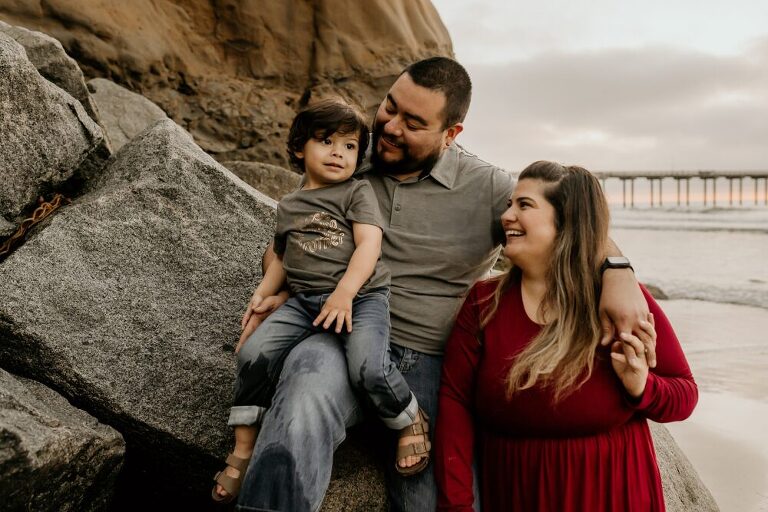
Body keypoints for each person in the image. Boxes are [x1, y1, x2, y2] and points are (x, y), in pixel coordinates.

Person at [234, 58, 652, 512]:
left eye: (413, 123)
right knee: (301, 403)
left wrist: (618, 271)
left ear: (451, 135)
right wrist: (281, 289)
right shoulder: (348, 157)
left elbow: (572, 222)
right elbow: (294, 238)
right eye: (389, 107)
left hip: (426, 357)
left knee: (435, 500)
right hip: (337, 335)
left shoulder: (489, 188)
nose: (390, 127)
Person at [434, 161, 698, 511]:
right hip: (516, 491)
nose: (507, 216)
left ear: (565, 220)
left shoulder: (620, 303)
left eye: (524, 205)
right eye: (509, 204)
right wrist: (456, 505)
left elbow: (684, 394)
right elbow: (455, 402)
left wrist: (641, 386)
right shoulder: (483, 303)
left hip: (612, 492)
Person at [212, 99, 431, 503]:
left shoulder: (356, 192)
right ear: (299, 148)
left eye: (350, 147)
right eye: (326, 141)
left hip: (361, 298)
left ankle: (408, 417)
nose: (338, 152)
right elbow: (282, 256)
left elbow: (369, 246)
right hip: (305, 301)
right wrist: (263, 295)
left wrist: (345, 293)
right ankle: (243, 449)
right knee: (252, 355)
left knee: (368, 365)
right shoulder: (291, 204)